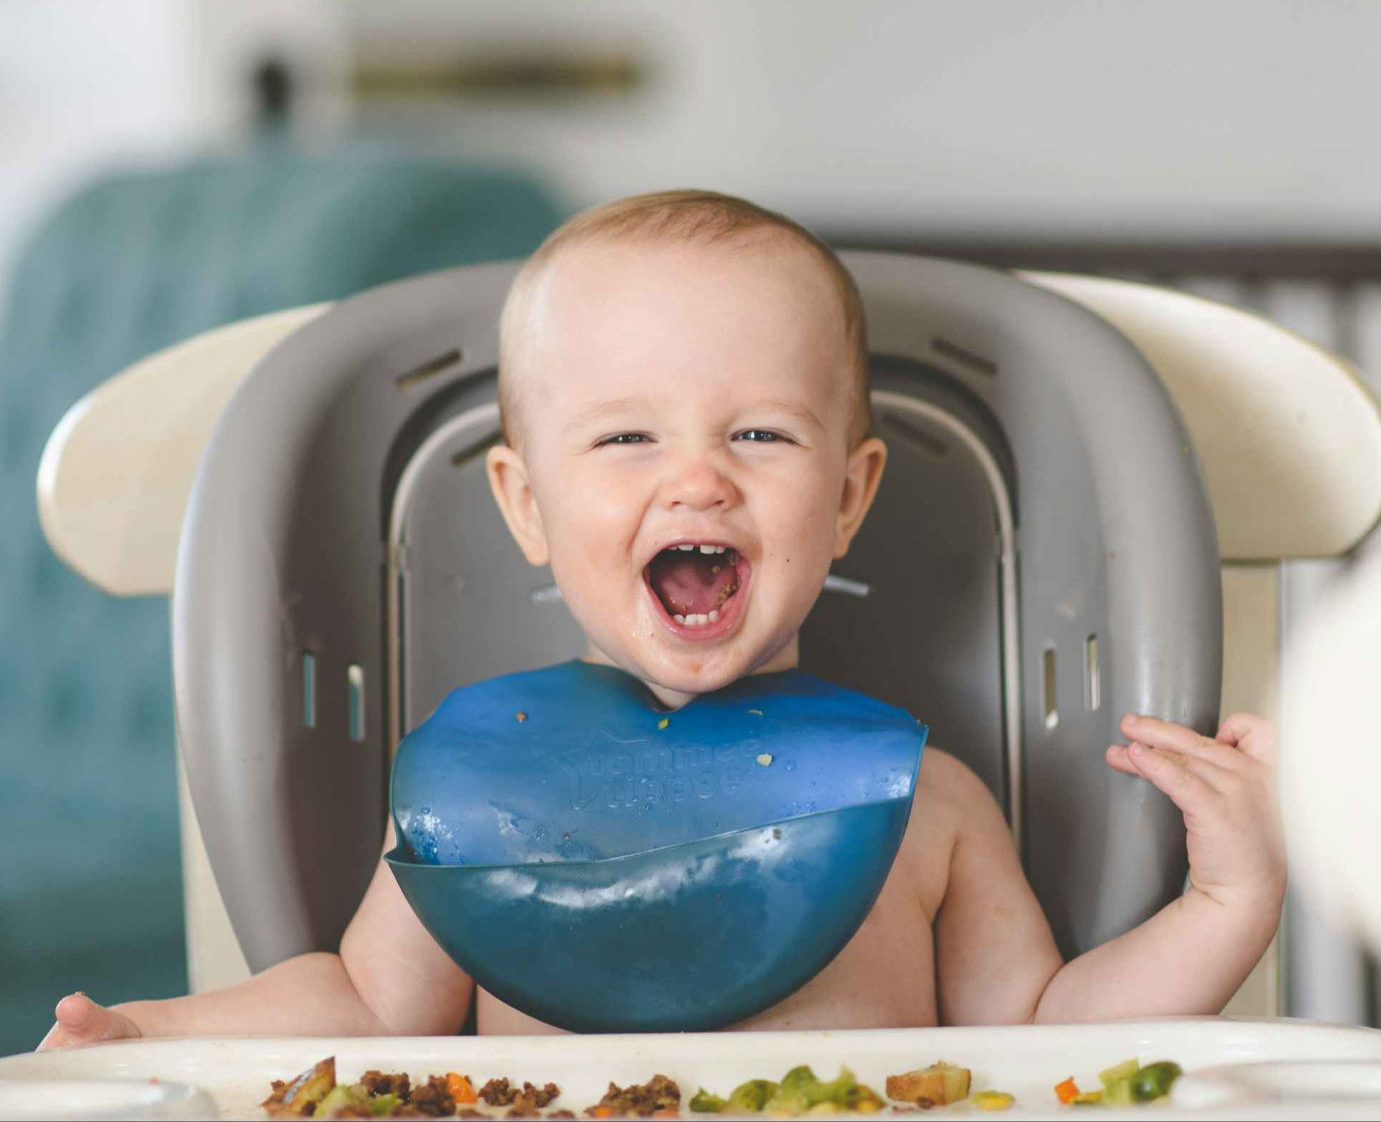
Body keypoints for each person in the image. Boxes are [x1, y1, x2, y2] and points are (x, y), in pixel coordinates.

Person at [41, 189, 1284, 1048]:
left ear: (848, 498)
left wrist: (1224, 906)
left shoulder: (928, 806)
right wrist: (153, 1031)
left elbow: (1046, 1035)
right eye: (628, 438)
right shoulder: (477, 796)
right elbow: (367, 1008)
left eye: (760, 434)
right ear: (526, 506)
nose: (697, 480)